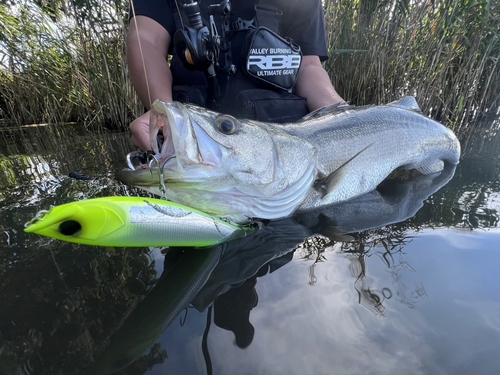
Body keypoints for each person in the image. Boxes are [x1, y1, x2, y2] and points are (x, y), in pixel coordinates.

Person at [127, 0, 345, 151]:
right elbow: (147, 39)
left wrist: (342, 115)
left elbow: (307, 65)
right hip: (193, 140)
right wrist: (164, 112)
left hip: (280, 145)